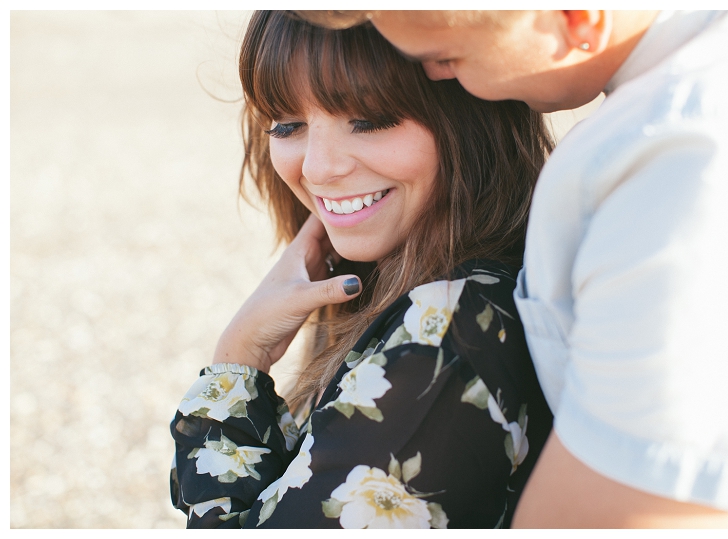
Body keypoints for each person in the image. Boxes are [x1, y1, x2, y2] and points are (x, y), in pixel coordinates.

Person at [291, 10, 728, 528]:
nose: (437, 76)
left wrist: (237, 366)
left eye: (448, 57)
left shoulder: (683, 169)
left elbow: (639, 505)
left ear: (579, 17)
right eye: (285, 124)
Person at [169, 10, 556, 529]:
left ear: (472, 114)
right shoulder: (454, 292)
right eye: (287, 125)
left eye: (370, 120)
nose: (317, 168)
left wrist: (240, 360)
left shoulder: (447, 332)